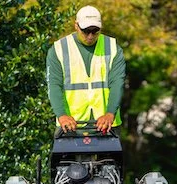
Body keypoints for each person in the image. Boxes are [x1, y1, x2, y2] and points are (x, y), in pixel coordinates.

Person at [46, 5, 126, 134]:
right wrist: (62, 115)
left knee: (111, 154)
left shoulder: (113, 48)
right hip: (70, 124)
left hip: (106, 125)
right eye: (86, 30)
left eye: (95, 31)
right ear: (76, 26)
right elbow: (54, 85)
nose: (90, 36)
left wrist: (110, 113)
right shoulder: (58, 49)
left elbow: (117, 83)